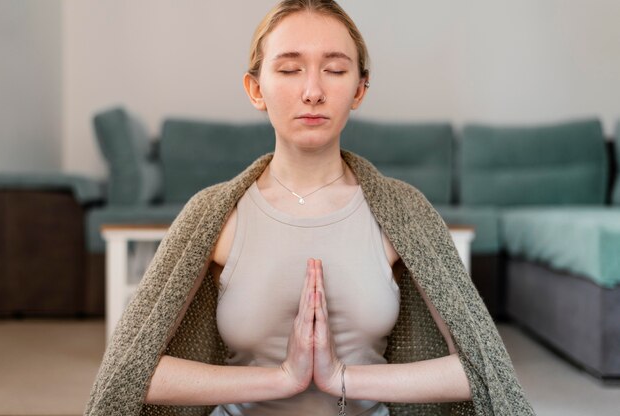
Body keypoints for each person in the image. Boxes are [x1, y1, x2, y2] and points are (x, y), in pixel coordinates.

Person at [85, 1, 534, 415]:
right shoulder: (213, 215)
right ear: (255, 88)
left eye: (335, 71)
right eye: (290, 69)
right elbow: (130, 375)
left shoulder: (404, 213)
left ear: (359, 90)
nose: (313, 91)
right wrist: (280, 379)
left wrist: (344, 378)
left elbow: (483, 368)